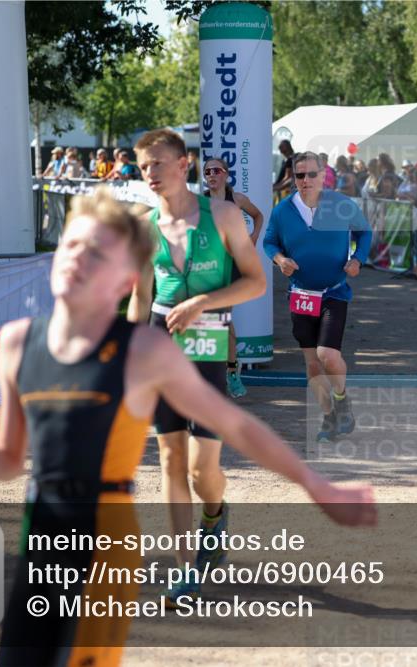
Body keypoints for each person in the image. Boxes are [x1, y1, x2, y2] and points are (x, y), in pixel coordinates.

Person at [0, 188, 376, 667]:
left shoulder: (142, 352)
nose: (77, 259)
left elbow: (236, 426)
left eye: (98, 254)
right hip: (41, 537)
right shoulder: (16, 342)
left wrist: (317, 485)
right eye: (72, 245)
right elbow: (10, 459)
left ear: (128, 279)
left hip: (105, 543)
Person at [126, 129, 266, 605]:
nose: (150, 174)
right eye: (143, 166)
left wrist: (204, 301)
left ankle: (216, 511)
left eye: (158, 164)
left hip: (208, 348)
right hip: (162, 349)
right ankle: (186, 569)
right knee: (169, 459)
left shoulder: (223, 216)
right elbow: (141, 297)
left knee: (203, 467)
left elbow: (256, 282)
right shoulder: (144, 228)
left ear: (184, 164)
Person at [263, 151, 372, 443]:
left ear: (323, 175)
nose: (306, 180)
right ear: (293, 178)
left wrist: (357, 260)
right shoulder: (282, 210)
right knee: (312, 364)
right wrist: (280, 260)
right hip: (301, 294)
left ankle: (342, 399)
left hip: (334, 291)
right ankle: (330, 417)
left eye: (312, 174)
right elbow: (269, 241)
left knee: (328, 356)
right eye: (300, 175)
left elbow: (364, 232)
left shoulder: (340, 204)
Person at [202, 156, 265, 398]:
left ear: (226, 174)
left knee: (224, 317)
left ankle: (230, 373)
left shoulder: (237, 200)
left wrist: (254, 237)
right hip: (206, 266)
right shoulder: (200, 202)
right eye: (208, 171)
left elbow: (258, 216)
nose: (212, 175)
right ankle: (213, 372)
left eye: (216, 170)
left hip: (230, 267)